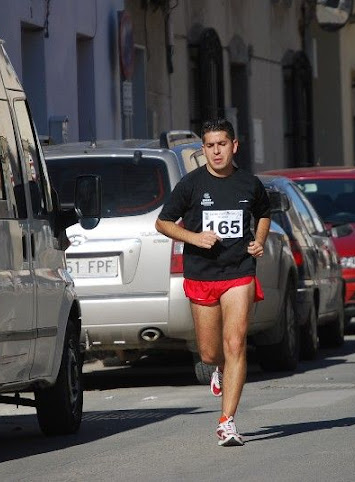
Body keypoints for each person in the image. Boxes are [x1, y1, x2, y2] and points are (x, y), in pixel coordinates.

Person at [155, 118, 270, 446]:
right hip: (202, 273)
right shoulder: (191, 185)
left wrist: (259, 241)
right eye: (210, 146)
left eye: (222, 144)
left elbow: (264, 213)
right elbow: (163, 223)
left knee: (235, 344)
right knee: (209, 353)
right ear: (203, 149)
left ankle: (227, 421)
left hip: (239, 272)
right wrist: (194, 238)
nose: (216, 151)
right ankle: (218, 368)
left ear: (235, 146)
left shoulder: (249, 183)